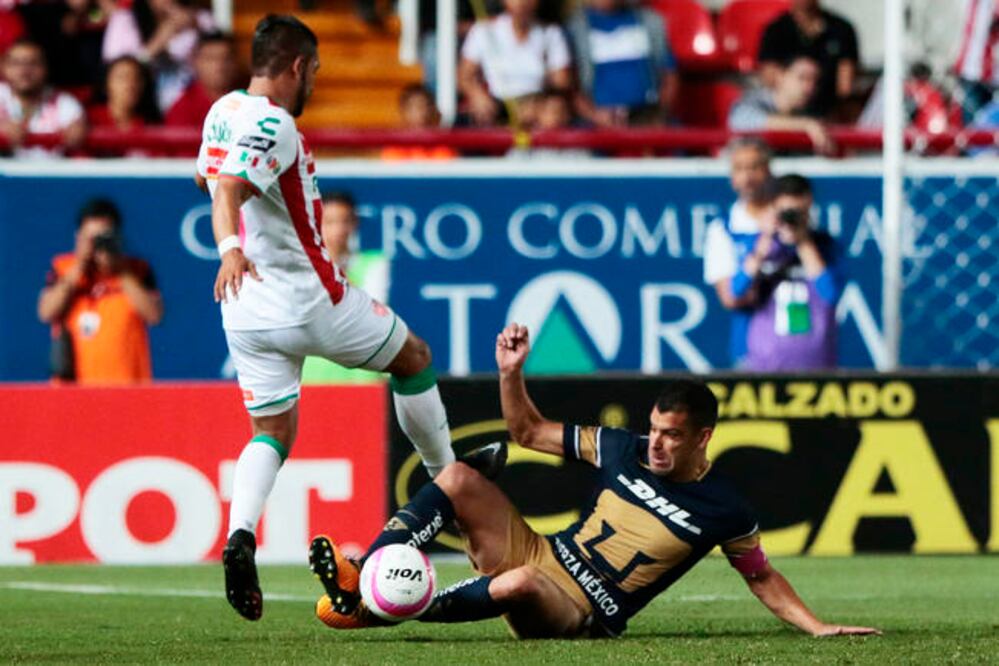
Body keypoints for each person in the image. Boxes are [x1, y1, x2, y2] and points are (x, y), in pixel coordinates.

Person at [307, 324, 880, 639]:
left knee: (521, 584)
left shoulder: (724, 506)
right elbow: (527, 431)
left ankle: (391, 608)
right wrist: (512, 374)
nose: (655, 442)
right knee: (458, 476)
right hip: (539, 551)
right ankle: (366, 581)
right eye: (654, 429)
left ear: (702, 438)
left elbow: (762, 576)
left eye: (672, 436)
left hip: (579, 610)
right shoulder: (624, 447)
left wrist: (818, 627)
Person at [194, 14, 456, 622]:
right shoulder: (276, 123)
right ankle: (452, 489)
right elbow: (229, 187)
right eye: (313, 70)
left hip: (244, 309)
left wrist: (236, 246)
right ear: (298, 67)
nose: (313, 80)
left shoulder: (220, 112)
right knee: (413, 357)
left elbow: (206, 180)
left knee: (272, 432)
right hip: (307, 296)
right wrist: (232, 246)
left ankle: (240, 535)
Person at [37, 198, 163, 384]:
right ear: (78, 237)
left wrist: (119, 270)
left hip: (128, 384)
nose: (98, 245)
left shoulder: (136, 270)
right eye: (92, 238)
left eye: (104, 238)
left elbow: (154, 315)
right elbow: (46, 312)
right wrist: (79, 266)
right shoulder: (63, 268)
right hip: (73, 387)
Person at [743, 174, 843, 371]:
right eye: (786, 212)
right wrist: (764, 242)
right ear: (773, 208)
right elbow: (738, 289)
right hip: (765, 364)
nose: (791, 219)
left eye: (799, 212)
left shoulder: (826, 246)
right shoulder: (759, 244)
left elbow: (830, 295)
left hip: (817, 364)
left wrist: (803, 241)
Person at [301, 191, 388, 383]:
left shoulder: (374, 263)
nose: (339, 230)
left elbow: (371, 311)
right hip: (313, 371)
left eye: (345, 221)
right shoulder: (301, 267)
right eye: (330, 222)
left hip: (362, 372)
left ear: (354, 223)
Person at [702, 137, 773, 368]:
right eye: (739, 169)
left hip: (801, 347)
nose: (747, 177)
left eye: (754, 167)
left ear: (768, 170)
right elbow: (731, 297)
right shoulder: (722, 229)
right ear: (732, 178)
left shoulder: (791, 223)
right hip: (750, 350)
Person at [458, 0, 572, 127]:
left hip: (538, 113)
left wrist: (537, 107)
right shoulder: (484, 29)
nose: (522, 3)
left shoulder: (551, 33)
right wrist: (477, 95)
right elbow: (464, 75)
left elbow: (562, 82)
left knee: (553, 114)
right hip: (495, 109)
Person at [566, 0, 678, 127]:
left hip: (647, 117)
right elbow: (570, 87)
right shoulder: (575, 28)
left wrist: (658, 115)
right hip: (596, 125)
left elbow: (669, 75)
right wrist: (595, 116)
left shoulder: (650, 21)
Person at [102, 0, 216, 113]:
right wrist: (160, 40)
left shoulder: (201, 19)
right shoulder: (124, 20)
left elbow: (218, 58)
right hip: (143, 106)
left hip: (191, 102)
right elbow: (119, 71)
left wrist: (198, 28)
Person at [756, 0, 859, 119]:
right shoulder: (775, 30)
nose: (809, 86)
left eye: (813, 80)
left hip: (829, 114)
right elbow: (770, 81)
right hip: (785, 115)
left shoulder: (842, 29)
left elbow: (845, 87)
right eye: (804, 79)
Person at [728, 55, 834, 154]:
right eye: (802, 78)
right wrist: (805, 125)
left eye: (814, 81)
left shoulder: (814, 110)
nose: (810, 87)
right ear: (780, 76)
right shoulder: (753, 101)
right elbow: (741, 121)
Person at [0, 38, 87, 158]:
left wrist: (78, 129)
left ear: (45, 68)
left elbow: (77, 132)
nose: (24, 71)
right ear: (4, 67)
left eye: (33, 63)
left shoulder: (65, 103)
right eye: (16, 63)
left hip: (51, 174)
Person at [165, 32, 241, 127]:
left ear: (236, 62)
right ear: (196, 63)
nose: (219, 66)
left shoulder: (250, 99)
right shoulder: (184, 108)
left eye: (226, 59)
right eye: (211, 59)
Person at [380, 84, 457, 160]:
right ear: (404, 112)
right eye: (417, 107)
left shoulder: (443, 147)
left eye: (427, 106)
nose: (423, 113)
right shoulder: (394, 148)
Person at [87, 55, 161, 131]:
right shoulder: (87, 119)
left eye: (136, 78)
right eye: (122, 78)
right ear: (106, 85)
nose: (130, 85)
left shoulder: (151, 125)